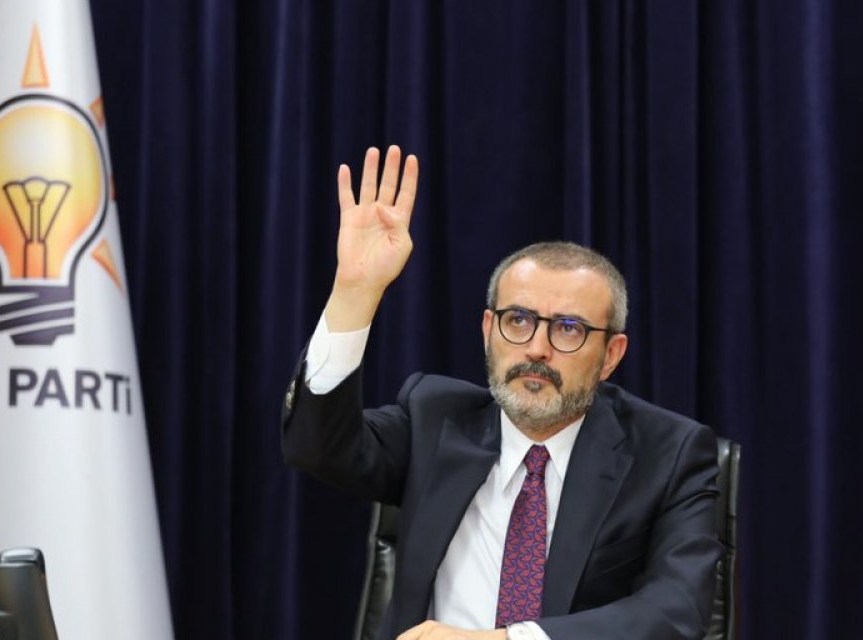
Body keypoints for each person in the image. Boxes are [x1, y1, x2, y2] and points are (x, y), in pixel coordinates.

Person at [281, 146, 721, 640]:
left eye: (569, 329)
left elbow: (675, 610)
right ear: (488, 329)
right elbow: (315, 446)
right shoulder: (434, 417)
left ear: (611, 355)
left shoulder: (669, 454)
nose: (536, 348)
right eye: (518, 320)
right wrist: (354, 292)